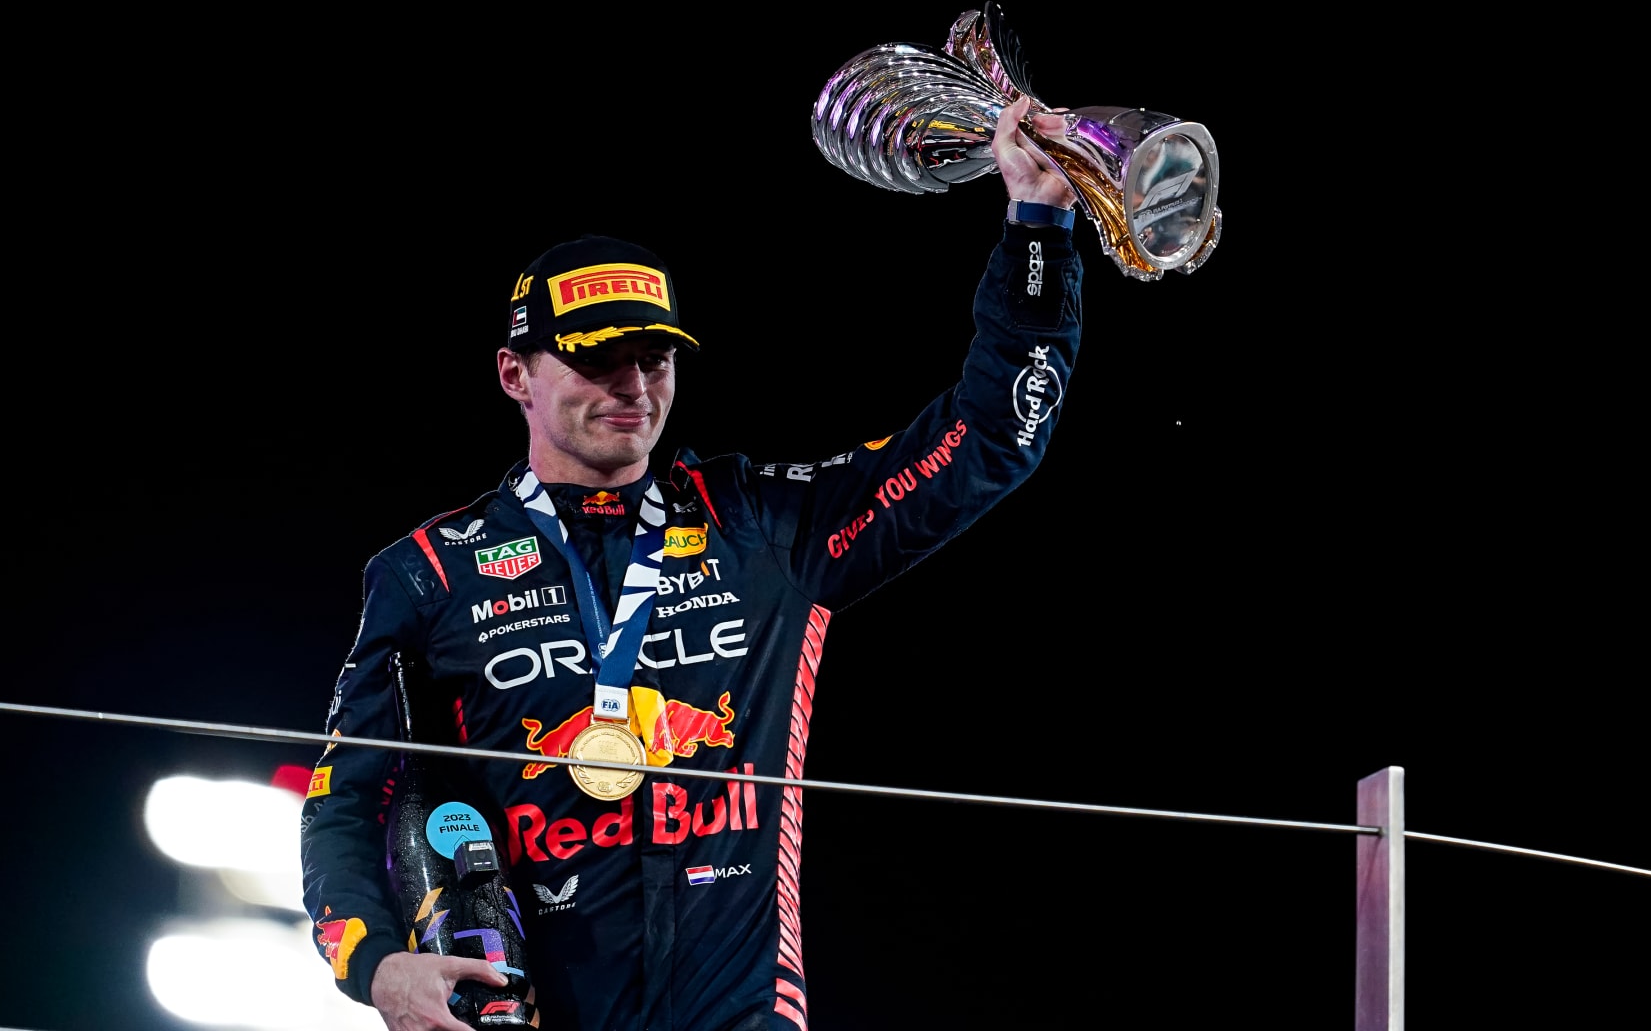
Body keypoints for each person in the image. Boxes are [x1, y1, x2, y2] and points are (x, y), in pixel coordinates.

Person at [299, 95, 1083, 1031]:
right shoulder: (429, 571)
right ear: (516, 375)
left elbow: (992, 437)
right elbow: (346, 804)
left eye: (657, 359)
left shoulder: (762, 521)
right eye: (600, 360)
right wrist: (379, 968)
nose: (635, 387)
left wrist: (1039, 230)